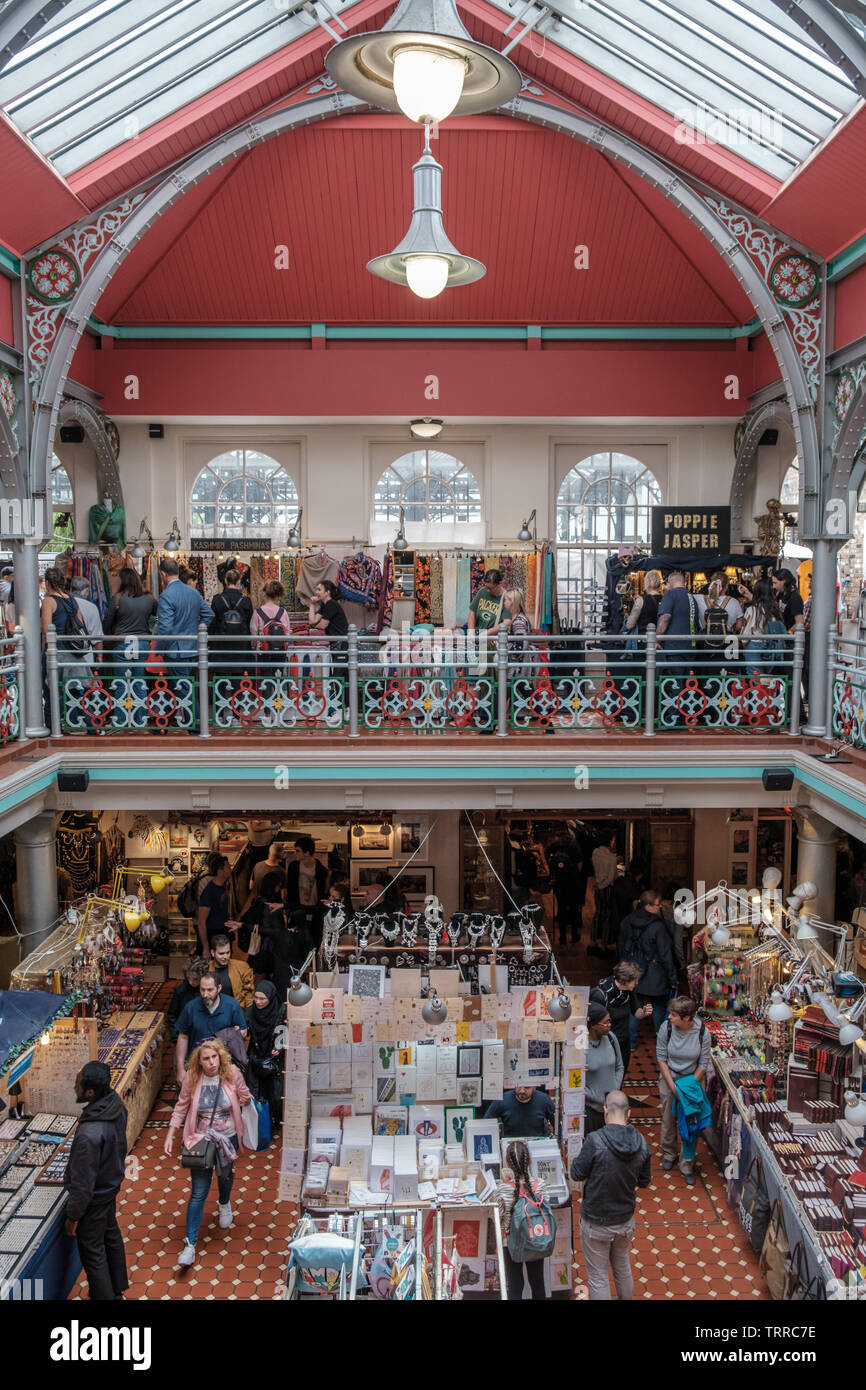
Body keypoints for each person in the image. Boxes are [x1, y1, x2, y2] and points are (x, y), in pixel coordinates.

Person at [164, 1039, 251, 1267]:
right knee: (198, 1192)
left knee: (225, 1176)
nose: (211, 1062)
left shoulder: (232, 1073)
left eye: (214, 1057)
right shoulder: (193, 1078)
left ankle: (224, 1203)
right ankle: (190, 1245)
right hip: (200, 1140)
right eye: (206, 1059)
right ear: (199, 1061)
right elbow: (181, 1106)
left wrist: (246, 1099)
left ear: (220, 1056)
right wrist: (170, 1134)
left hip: (228, 1138)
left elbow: (244, 1094)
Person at [570, 1090, 651, 1301]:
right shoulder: (641, 1142)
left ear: (605, 1111)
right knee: (622, 1267)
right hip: (624, 1220)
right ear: (629, 1113)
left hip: (596, 1222)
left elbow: (576, 1173)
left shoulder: (595, 1141)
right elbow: (644, 1181)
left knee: (598, 1278)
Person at [63, 1060, 129, 1301]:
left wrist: (73, 1216)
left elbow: (83, 1183)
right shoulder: (116, 1105)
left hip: (95, 1199)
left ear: (90, 1092)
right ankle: (117, 1288)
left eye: (78, 1084)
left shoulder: (88, 1135)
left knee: (93, 1251)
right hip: (110, 1187)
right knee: (110, 1235)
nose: (74, 1088)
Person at [656, 995, 712, 1186]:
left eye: (673, 1015)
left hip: (693, 1081)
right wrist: (673, 1087)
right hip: (670, 1077)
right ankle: (669, 1152)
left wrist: (687, 1087)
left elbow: (703, 1063)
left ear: (687, 1018)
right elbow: (661, 1057)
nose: (669, 1017)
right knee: (668, 1118)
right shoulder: (667, 1028)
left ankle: (687, 1163)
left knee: (691, 1122)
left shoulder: (703, 1032)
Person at [495, 1140, 550, 1300]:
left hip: (511, 1243)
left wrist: (504, 1185)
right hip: (536, 1239)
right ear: (530, 1161)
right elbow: (545, 1209)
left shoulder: (503, 1189)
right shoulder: (540, 1185)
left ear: (506, 1163)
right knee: (538, 1282)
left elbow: (497, 1216)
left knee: (515, 1284)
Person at [617, 889, 677, 1035]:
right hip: (655, 973)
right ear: (648, 906)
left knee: (634, 1007)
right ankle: (661, 1039)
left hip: (633, 971)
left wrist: (624, 968)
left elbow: (620, 947)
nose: (660, 907)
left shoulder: (627, 921)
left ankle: (630, 1043)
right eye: (657, 905)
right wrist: (673, 977)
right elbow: (665, 954)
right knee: (658, 1006)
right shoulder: (658, 926)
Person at [153, 556, 214, 694]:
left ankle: (196, 716)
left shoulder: (166, 595)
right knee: (180, 688)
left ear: (163, 574)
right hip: (192, 647)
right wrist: (196, 629)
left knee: (184, 692)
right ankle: (172, 715)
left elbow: (165, 627)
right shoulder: (193, 592)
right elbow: (209, 614)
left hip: (175, 650)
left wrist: (159, 648)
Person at [174, 973, 247, 1081]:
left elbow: (243, 1031)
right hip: (197, 1067)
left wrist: (231, 1035)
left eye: (210, 990)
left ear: (219, 988)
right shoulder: (191, 1008)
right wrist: (180, 1068)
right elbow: (183, 1037)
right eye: (202, 990)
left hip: (224, 1068)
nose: (205, 994)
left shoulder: (232, 1005)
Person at [590, 962, 652, 1077]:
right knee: (605, 1077)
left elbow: (636, 1012)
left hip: (623, 1042)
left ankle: (618, 1095)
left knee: (620, 1074)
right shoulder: (600, 994)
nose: (637, 983)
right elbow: (593, 1023)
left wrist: (643, 1012)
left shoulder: (628, 992)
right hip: (606, 1043)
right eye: (635, 980)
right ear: (625, 980)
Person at [245, 980, 286, 1130]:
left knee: (276, 1094)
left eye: (262, 999)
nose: (258, 1002)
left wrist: (279, 1047)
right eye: (256, 998)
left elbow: (284, 1029)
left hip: (275, 1057)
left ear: (271, 997)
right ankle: (262, 1124)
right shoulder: (251, 1011)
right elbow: (246, 1026)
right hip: (257, 1056)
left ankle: (277, 1122)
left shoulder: (281, 1010)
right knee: (258, 1091)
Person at [104, 566, 157, 678]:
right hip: (143, 643)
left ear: (122, 581)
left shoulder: (117, 598)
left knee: (122, 683)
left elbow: (107, 622)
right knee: (140, 683)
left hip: (122, 642)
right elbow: (161, 616)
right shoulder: (149, 598)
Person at [209, 568, 254, 697]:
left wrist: (209, 641)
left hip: (220, 646)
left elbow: (212, 623)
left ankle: (220, 713)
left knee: (220, 679)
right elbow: (250, 623)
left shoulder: (217, 599)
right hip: (240, 646)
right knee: (238, 679)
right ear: (239, 582)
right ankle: (236, 713)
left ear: (225, 581)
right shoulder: (246, 601)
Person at [584, 1002, 624, 1135]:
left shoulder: (611, 1038)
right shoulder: (580, 1046)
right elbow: (574, 1079)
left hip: (612, 1108)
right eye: (605, 1023)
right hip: (591, 1111)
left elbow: (619, 1066)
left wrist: (615, 1089)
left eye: (609, 1021)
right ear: (593, 1025)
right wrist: (594, 1097)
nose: (609, 1025)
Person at [655, 570, 697, 687]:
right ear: (684, 583)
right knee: (687, 686)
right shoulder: (691, 597)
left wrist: (656, 638)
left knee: (675, 685)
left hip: (674, 647)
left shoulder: (671, 594)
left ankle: (675, 705)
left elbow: (665, 617)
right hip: (690, 647)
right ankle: (684, 705)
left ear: (669, 584)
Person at [740, 579, 787, 679]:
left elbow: (744, 636)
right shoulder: (775, 610)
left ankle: (760, 694)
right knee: (768, 680)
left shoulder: (752, 610)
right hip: (773, 649)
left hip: (755, 648)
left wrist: (744, 647)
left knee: (757, 681)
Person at [196, 853, 242, 953]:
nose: (230, 869)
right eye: (228, 867)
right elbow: (201, 921)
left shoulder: (224, 887)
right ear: (220, 871)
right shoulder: (209, 891)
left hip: (223, 934)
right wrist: (206, 948)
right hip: (213, 936)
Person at [285, 836, 328, 945]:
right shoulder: (293, 867)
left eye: (298, 851)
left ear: (307, 853)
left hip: (314, 913)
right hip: (297, 911)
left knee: (313, 942)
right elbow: (289, 890)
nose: (295, 854)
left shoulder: (321, 870)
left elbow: (323, 893)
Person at [548, 823, 585, 945]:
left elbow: (548, 860)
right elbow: (580, 864)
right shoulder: (574, 845)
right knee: (574, 909)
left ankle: (562, 937)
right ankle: (574, 935)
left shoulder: (555, 846)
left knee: (561, 909)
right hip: (573, 882)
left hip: (560, 883)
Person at [484, 1084, 555, 1137]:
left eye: (527, 1087)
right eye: (519, 1086)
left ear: (534, 1087)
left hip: (536, 1145)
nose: (522, 1091)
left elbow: (558, 1124)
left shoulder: (544, 1100)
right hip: (509, 1144)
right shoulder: (502, 1100)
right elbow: (486, 1124)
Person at [251, 579, 291, 673]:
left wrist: (254, 647)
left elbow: (253, 636)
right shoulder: (283, 612)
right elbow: (288, 633)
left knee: (266, 680)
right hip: (280, 652)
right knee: (278, 678)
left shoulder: (257, 613)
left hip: (263, 652)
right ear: (278, 595)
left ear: (264, 593)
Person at [589, 831, 618, 957]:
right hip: (606, 889)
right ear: (609, 841)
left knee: (597, 914)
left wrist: (598, 884)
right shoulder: (612, 858)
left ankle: (592, 942)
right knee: (606, 916)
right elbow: (611, 878)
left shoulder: (595, 852)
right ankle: (603, 945)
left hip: (598, 887)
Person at [167, 955, 208, 1041]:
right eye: (188, 978)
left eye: (195, 979)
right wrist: (175, 1037)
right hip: (184, 1035)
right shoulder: (180, 991)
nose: (191, 982)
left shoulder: (209, 990)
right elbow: (172, 1015)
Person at [208, 933, 255, 1010]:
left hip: (235, 1012)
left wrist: (248, 1015)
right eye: (221, 954)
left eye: (228, 952)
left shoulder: (242, 967)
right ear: (213, 953)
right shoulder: (205, 969)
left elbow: (249, 994)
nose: (225, 957)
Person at [623, 569, 662, 637]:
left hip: (643, 639)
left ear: (646, 583)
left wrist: (626, 619)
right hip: (660, 640)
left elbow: (630, 625)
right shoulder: (666, 599)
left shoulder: (641, 600)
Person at [467, 569, 506, 634]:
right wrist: (471, 632)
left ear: (499, 584)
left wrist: (485, 633)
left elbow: (506, 623)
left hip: (492, 639)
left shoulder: (506, 598)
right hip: (478, 635)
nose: (487, 590)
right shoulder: (482, 591)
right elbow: (472, 612)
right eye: (486, 586)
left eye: (490, 588)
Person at [772, 567, 805, 633]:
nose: (774, 586)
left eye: (775, 583)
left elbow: (799, 623)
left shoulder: (795, 598)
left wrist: (788, 633)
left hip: (789, 640)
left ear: (784, 581)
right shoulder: (780, 595)